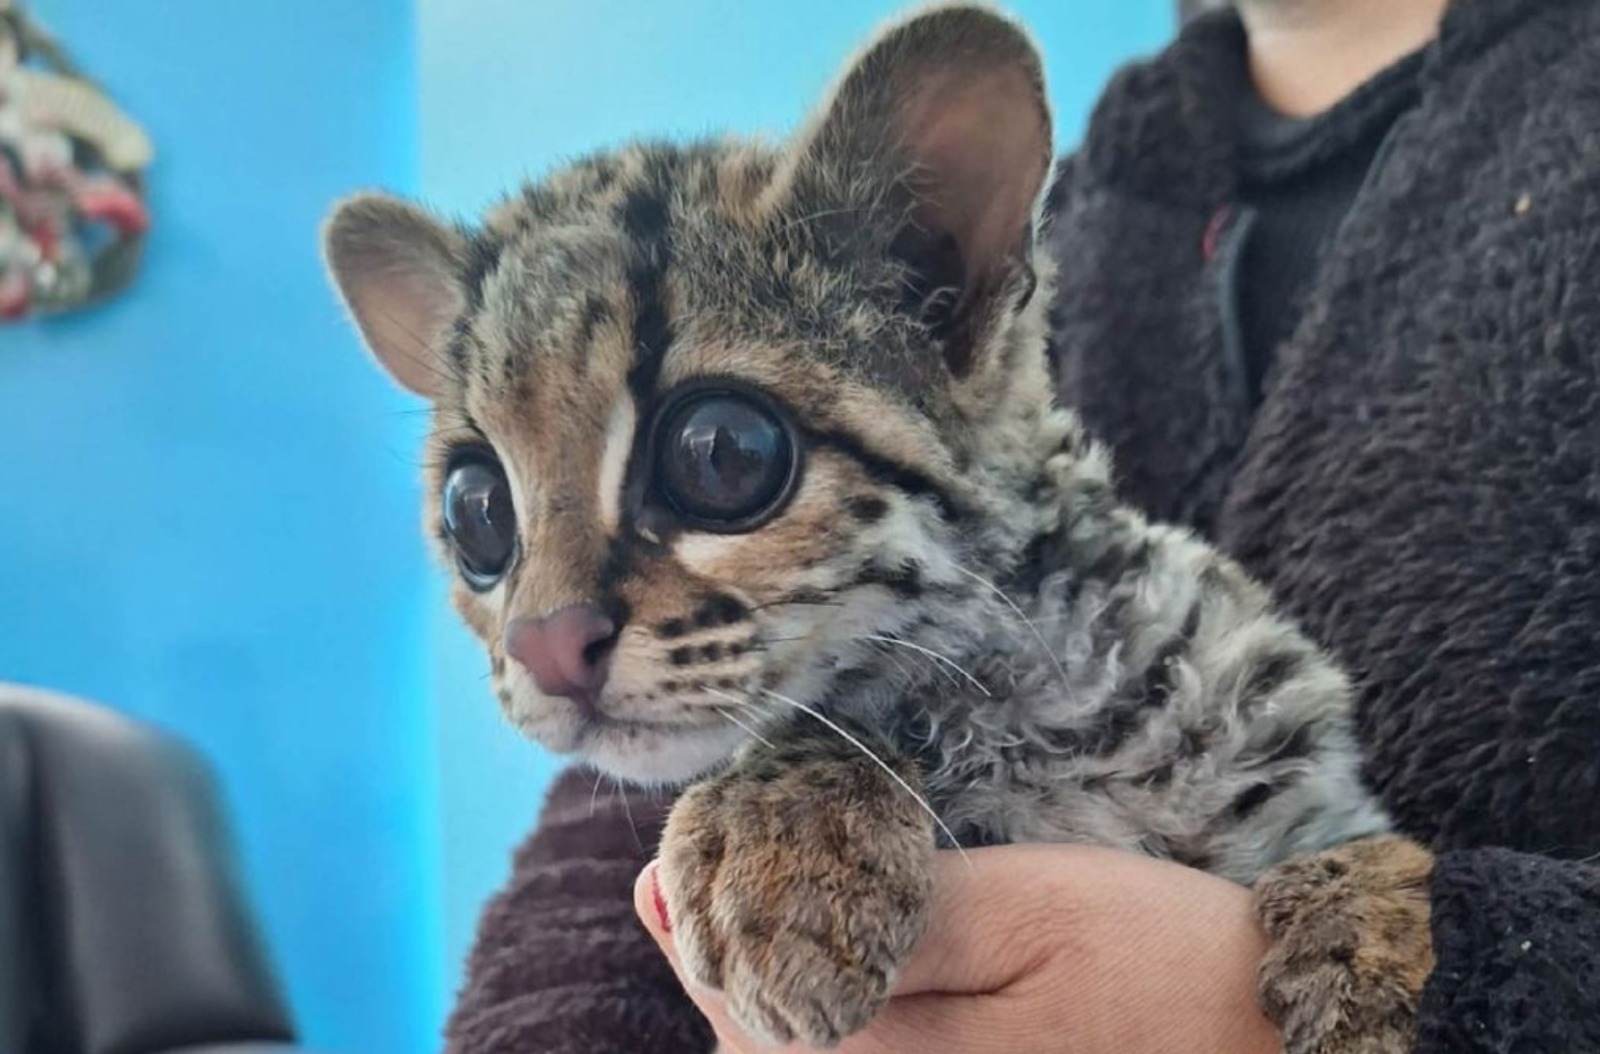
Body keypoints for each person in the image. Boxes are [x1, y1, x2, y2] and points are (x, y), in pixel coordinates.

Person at [444, 0, 1600, 1050]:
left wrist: (1362, 994)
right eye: (479, 512)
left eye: (719, 457)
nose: (551, 626)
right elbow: (608, 875)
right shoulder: (1111, 198)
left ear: (941, 282)